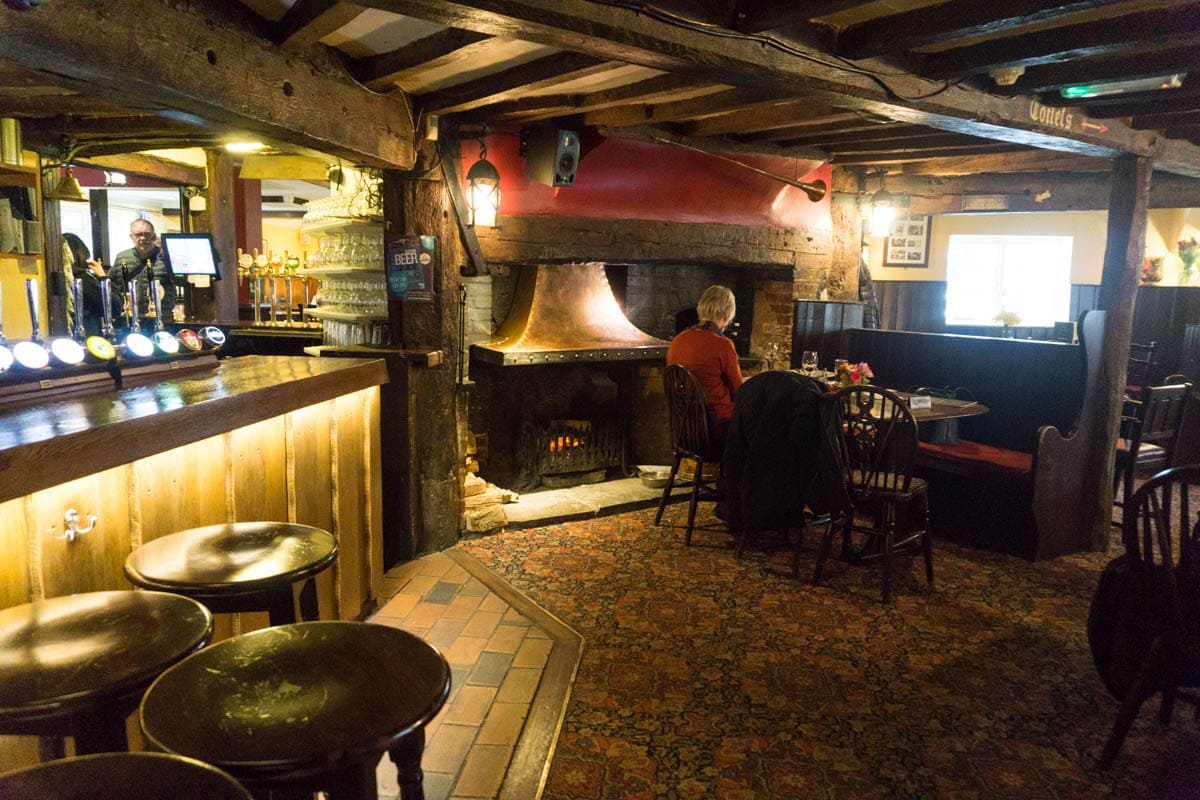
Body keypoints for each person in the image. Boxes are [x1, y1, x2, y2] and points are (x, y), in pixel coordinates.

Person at [666, 285, 744, 450]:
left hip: (683, 428)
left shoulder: (678, 340)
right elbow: (740, 392)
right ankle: (738, 475)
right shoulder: (723, 345)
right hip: (716, 428)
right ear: (725, 316)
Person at [111, 218, 175, 327]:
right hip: (128, 319)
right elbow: (113, 286)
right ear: (131, 237)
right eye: (138, 234)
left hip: (161, 318)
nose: (143, 238)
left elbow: (182, 281)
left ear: (153, 236)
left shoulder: (166, 257)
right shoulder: (122, 257)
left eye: (147, 234)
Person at [62, 232, 107, 336]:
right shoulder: (82, 278)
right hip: (89, 335)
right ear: (78, 254)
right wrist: (103, 276)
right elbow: (114, 306)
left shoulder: (62, 276)